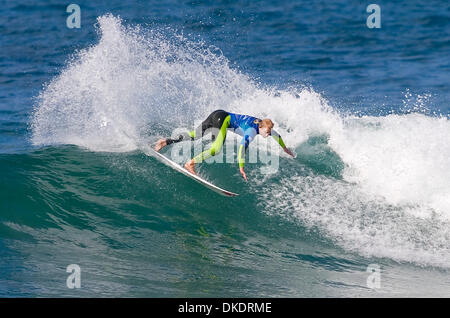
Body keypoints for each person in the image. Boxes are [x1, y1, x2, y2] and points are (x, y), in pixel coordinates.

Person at [154, 109, 295, 181]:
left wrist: (284, 148)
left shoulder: (263, 124)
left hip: (218, 113)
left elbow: (277, 135)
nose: (268, 135)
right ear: (262, 128)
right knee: (216, 149)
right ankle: (191, 163)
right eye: (267, 132)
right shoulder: (252, 132)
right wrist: (241, 168)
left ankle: (165, 141)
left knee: (194, 136)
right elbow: (242, 147)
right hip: (222, 120)